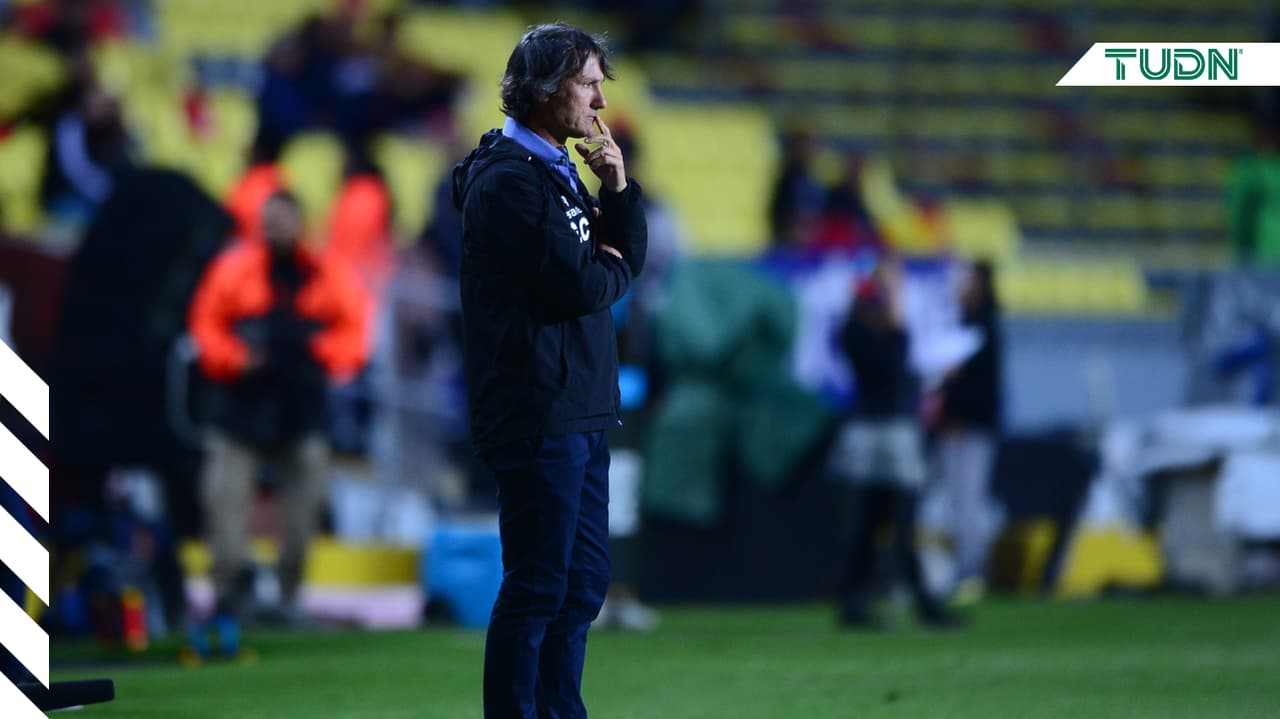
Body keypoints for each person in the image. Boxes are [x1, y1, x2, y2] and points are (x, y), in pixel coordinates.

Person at [451, 23, 646, 719]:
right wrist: (615, 261)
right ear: (543, 89)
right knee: (538, 583)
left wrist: (618, 188)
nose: (600, 100)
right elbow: (580, 286)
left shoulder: (553, 169)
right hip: (537, 409)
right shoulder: (507, 181)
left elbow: (607, 268)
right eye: (587, 82)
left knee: (582, 583)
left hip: (579, 405)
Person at [187, 190, 369, 623]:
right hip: (241, 407)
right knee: (223, 497)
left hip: (300, 408)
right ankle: (229, 593)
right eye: (269, 221)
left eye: (284, 221)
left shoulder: (328, 273)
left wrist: (318, 352)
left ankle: (289, 591)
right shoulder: (234, 271)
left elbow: (354, 330)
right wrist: (238, 359)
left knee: (306, 500)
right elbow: (206, 326)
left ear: (300, 224)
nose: (276, 229)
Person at [829, 262, 960, 629]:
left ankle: (863, 600)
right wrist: (892, 306)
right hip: (885, 436)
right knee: (890, 521)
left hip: (872, 434)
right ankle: (905, 600)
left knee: (879, 521)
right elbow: (893, 363)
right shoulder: (866, 333)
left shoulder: (856, 332)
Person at [934, 260, 1004, 599]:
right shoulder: (964, 325)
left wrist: (958, 417)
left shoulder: (983, 328)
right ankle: (966, 569)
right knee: (957, 504)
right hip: (958, 428)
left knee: (970, 503)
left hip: (970, 430)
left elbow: (974, 387)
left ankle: (973, 571)